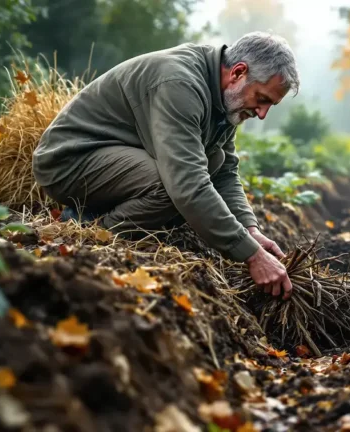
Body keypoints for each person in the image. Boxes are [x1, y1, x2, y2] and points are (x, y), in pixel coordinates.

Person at [31, 32, 296, 299]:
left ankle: (99, 214)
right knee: (172, 187)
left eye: (270, 105)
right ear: (238, 72)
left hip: (115, 158)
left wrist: (250, 230)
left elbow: (225, 172)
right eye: (262, 99)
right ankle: (92, 229)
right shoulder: (180, 84)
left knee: (213, 161)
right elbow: (187, 185)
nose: (262, 114)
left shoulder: (226, 98)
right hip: (69, 161)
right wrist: (251, 256)